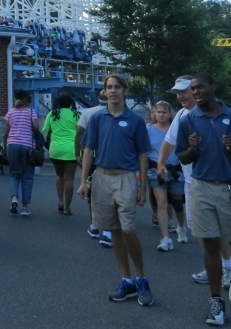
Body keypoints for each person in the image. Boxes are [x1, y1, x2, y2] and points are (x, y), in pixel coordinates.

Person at [175, 73, 231, 326]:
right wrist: (192, 149)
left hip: (230, 187)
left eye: (200, 87)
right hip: (200, 187)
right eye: (193, 89)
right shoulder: (188, 120)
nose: (195, 92)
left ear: (213, 87)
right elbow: (182, 158)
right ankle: (216, 301)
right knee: (210, 244)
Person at [79, 74, 153, 306]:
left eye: (117, 87)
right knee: (114, 231)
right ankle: (126, 280)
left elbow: (143, 154)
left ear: (125, 91)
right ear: (104, 91)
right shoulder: (96, 118)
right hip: (101, 177)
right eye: (109, 87)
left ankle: (142, 279)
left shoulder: (135, 120)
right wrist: (83, 181)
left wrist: (143, 186)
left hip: (126, 178)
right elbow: (88, 150)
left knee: (128, 230)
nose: (112, 91)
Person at [160, 76, 231, 289]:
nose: (181, 96)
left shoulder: (218, 114)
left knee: (219, 230)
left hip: (217, 182)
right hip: (191, 182)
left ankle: (229, 267)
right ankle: (215, 266)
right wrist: (161, 162)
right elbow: (170, 141)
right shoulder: (182, 116)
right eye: (178, 92)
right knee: (202, 230)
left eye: (185, 91)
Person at [146, 101, 185, 251]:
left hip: (176, 170)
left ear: (170, 114)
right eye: (158, 112)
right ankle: (166, 238)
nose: (161, 115)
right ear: (154, 114)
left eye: (164, 112)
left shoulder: (177, 129)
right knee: (161, 203)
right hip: (155, 170)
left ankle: (181, 227)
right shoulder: (148, 129)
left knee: (177, 203)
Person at [78, 90, 109, 244]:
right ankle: (108, 229)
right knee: (110, 192)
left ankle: (95, 224)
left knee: (93, 190)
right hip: (111, 158)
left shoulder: (89, 113)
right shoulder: (123, 114)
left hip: (93, 156)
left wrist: (78, 151)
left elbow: (79, 131)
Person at [43, 94, 81, 215]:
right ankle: (67, 208)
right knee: (69, 179)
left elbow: (45, 130)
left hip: (56, 149)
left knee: (59, 176)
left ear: (58, 103)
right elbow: (82, 132)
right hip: (72, 149)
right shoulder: (76, 115)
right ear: (71, 104)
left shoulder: (52, 114)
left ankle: (60, 201)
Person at [4, 90, 40, 216]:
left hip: (12, 145)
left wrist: (5, 147)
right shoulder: (31, 112)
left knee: (14, 174)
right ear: (28, 101)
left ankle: (14, 198)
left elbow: (6, 132)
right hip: (27, 146)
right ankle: (24, 207)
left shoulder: (10, 112)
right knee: (27, 176)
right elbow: (36, 127)